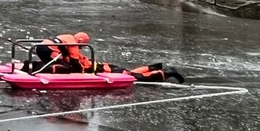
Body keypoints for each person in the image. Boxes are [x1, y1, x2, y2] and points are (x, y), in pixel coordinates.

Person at [28, 31, 184, 82]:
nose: (82, 48)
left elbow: (76, 63)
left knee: (135, 76)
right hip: (102, 67)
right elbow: (76, 62)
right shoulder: (72, 46)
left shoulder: (67, 39)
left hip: (103, 69)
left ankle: (165, 72)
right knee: (131, 73)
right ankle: (155, 68)